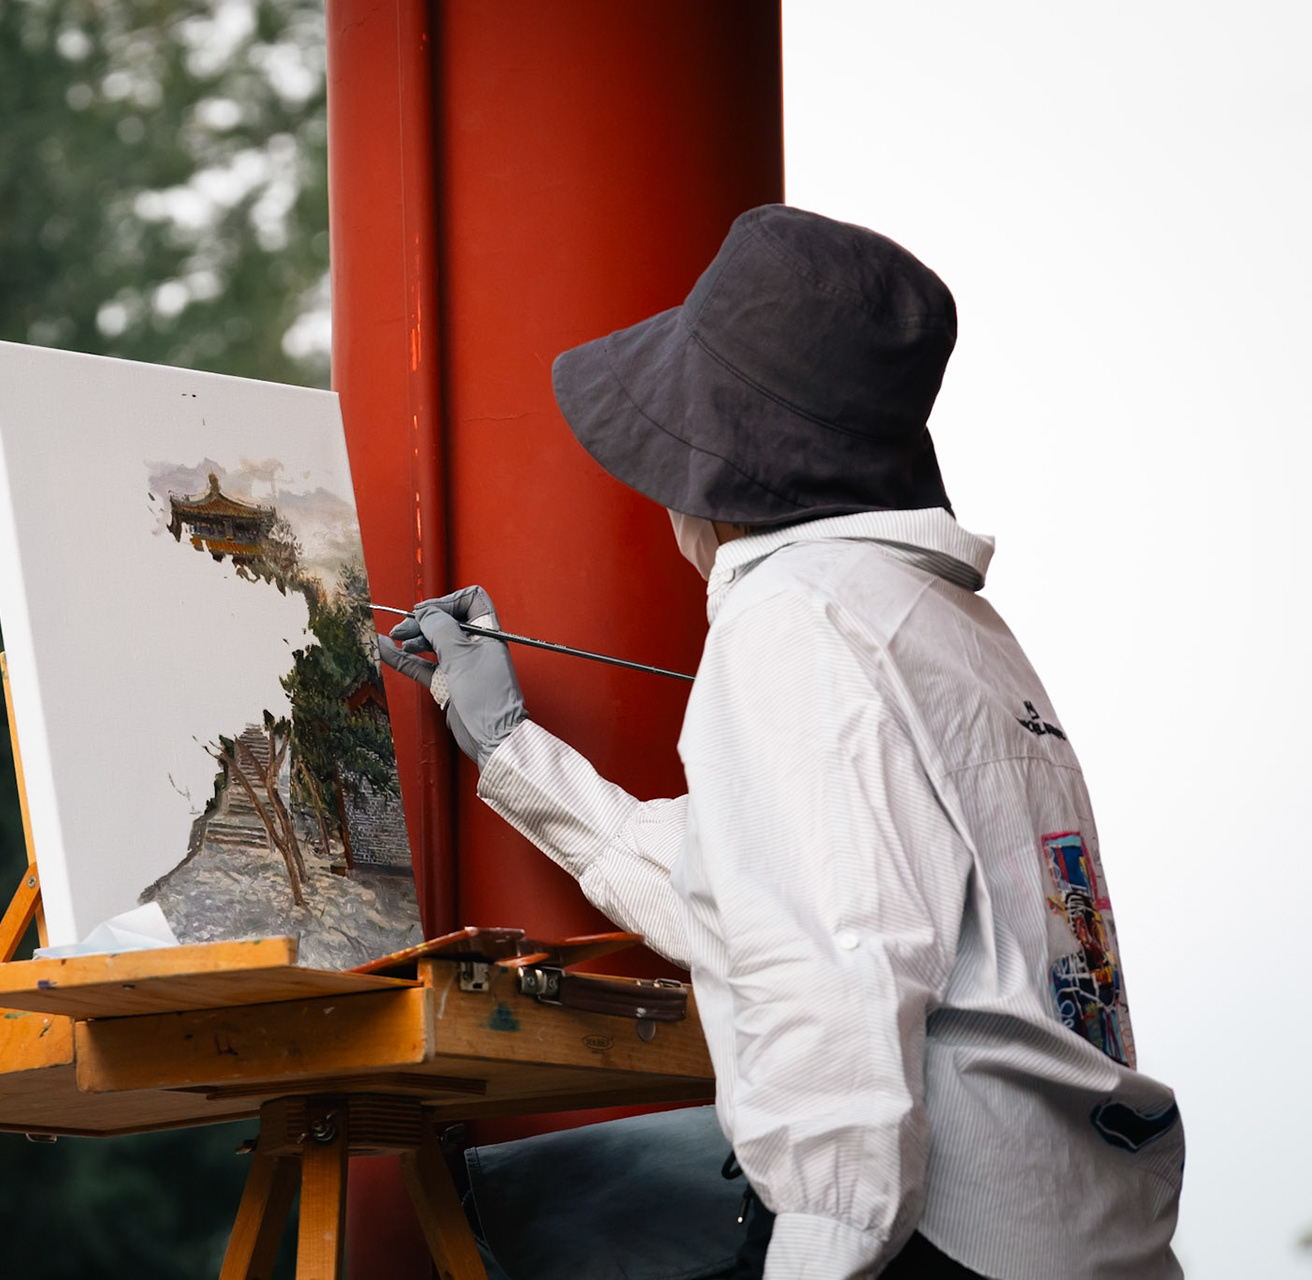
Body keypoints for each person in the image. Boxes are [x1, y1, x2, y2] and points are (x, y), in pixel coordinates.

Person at [377, 205, 1184, 1279]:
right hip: (1078, 1224)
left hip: (935, 1241)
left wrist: (818, 1245)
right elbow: (752, 889)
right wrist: (512, 747)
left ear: (725, 463)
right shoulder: (940, 617)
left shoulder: (793, 615)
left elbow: (835, 966)